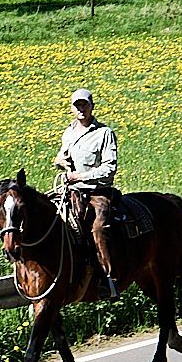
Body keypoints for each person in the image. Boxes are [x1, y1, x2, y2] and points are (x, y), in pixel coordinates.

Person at [52, 89, 125, 296]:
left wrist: (80, 177)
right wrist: (59, 161)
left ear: (92, 106)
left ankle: (108, 278)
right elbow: (62, 156)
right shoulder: (69, 132)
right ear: (72, 108)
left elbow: (109, 168)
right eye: (77, 106)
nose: (80, 109)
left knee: (98, 228)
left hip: (97, 192)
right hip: (71, 191)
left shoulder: (104, 133)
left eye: (84, 104)